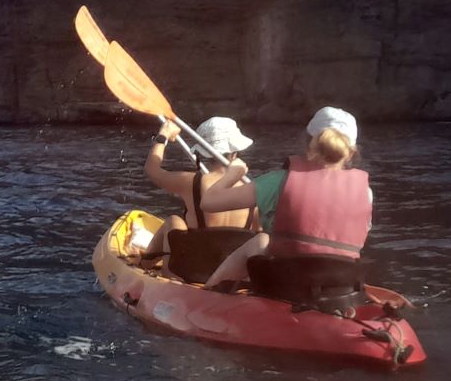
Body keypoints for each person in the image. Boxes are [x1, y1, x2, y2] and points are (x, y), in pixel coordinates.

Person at [198, 107, 377, 314]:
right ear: (351, 151)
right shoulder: (366, 192)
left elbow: (208, 202)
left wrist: (232, 173)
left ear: (309, 143)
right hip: (339, 288)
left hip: (285, 286)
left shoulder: (277, 181)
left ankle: (207, 295)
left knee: (260, 241)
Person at [142, 116, 259, 282]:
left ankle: (146, 265)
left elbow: (151, 170)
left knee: (173, 221)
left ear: (202, 153)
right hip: (231, 274)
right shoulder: (253, 189)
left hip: (191, 271)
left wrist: (163, 135)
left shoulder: (191, 182)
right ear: (235, 153)